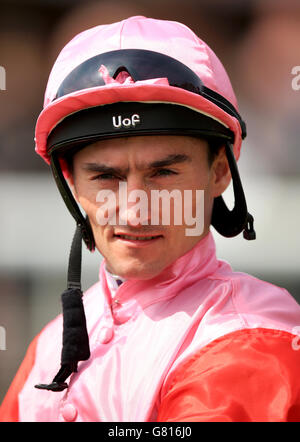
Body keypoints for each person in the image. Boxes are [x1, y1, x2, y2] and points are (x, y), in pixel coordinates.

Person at [1, 15, 300, 423]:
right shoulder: (50, 345)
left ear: (219, 172)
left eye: (163, 173)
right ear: (69, 180)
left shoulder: (253, 340)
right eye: (106, 176)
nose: (134, 209)